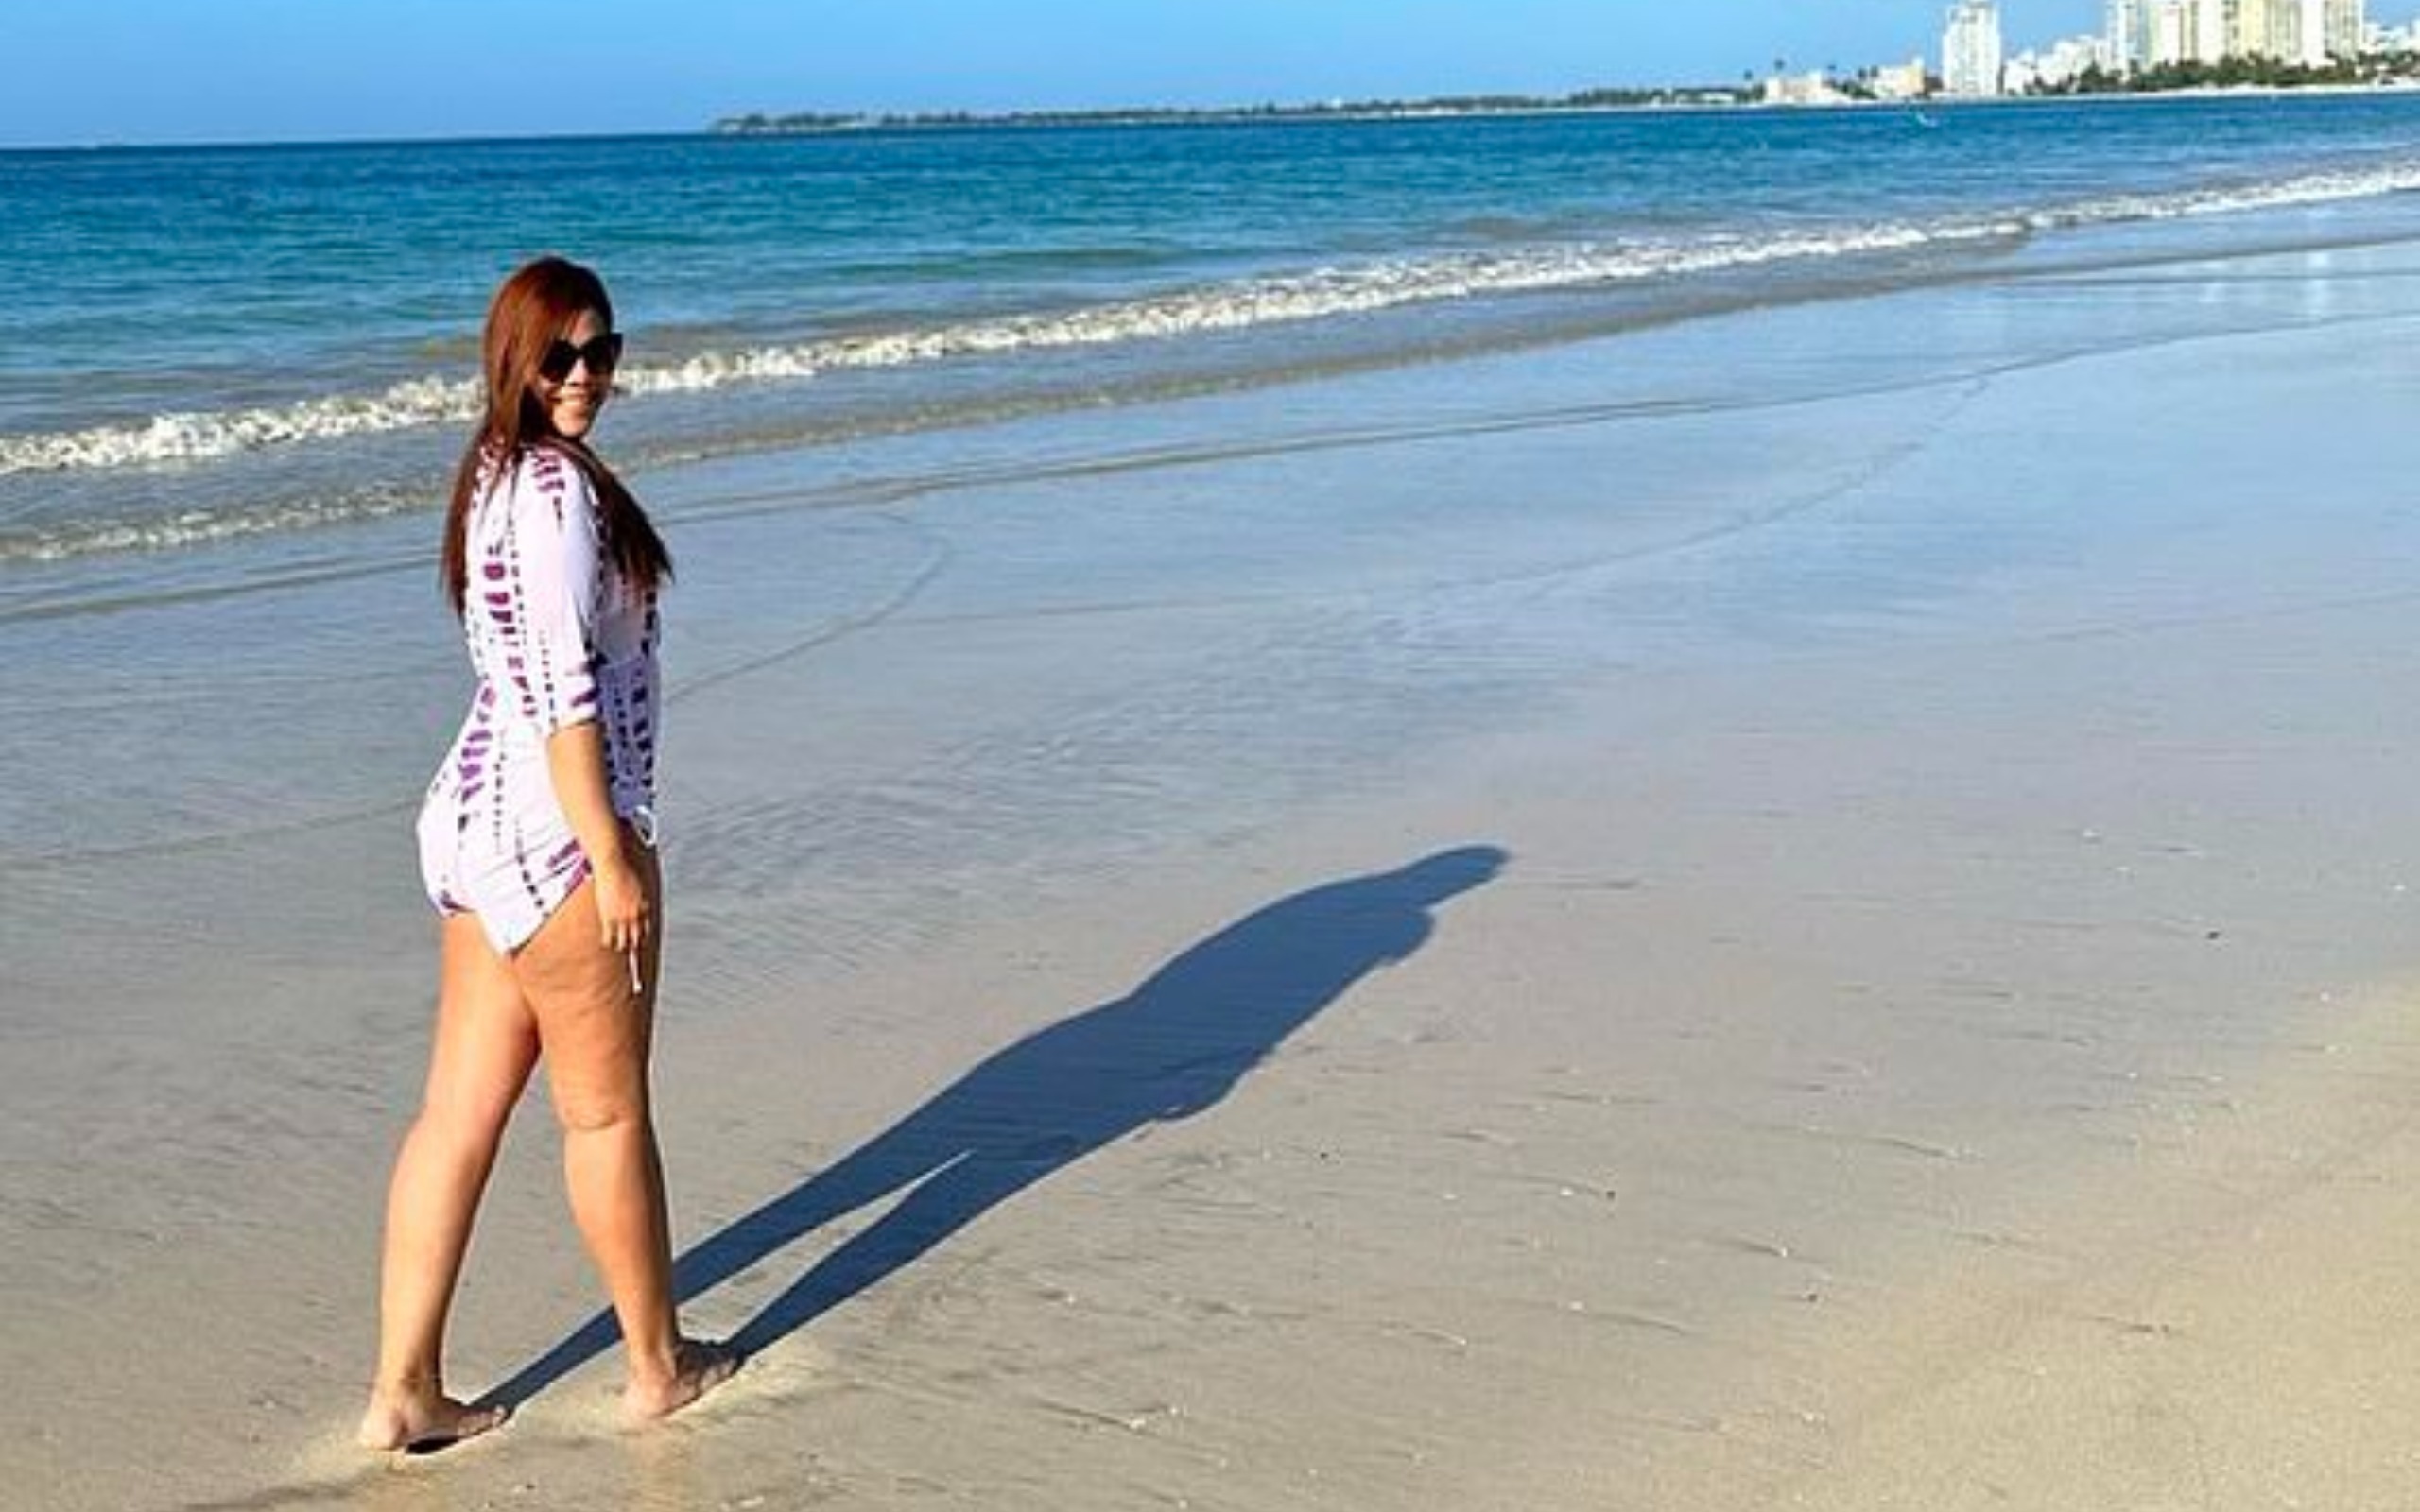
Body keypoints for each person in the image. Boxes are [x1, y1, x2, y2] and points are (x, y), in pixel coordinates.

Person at [359, 256, 735, 1452]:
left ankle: (403, 1390)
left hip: (477, 827)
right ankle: (656, 1367)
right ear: (515, 360)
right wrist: (611, 855)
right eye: (560, 356)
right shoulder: (559, 495)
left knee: (455, 1116)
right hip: (562, 836)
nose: (585, 376)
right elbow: (566, 696)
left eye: (602, 351)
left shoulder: (490, 476)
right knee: (606, 1116)